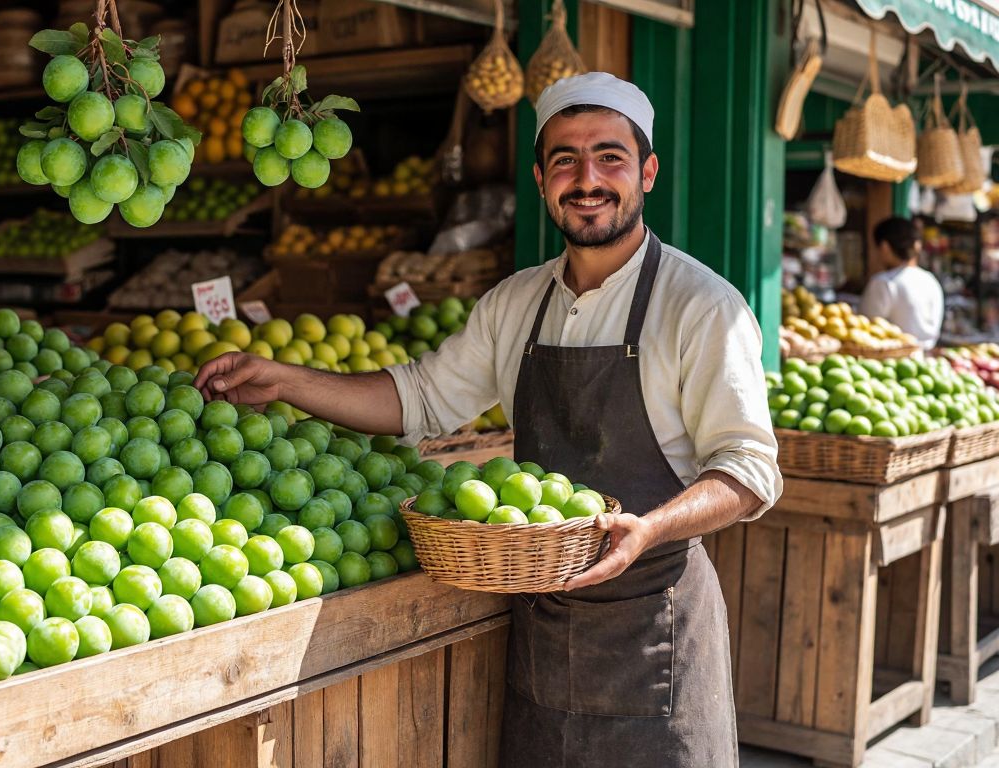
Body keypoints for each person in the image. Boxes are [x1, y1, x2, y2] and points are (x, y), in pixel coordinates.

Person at [195, 72, 781, 767]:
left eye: (610, 157)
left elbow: (750, 470)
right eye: (565, 158)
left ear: (647, 172)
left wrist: (648, 528)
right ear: (540, 178)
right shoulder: (515, 304)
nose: (587, 178)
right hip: (541, 628)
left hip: (652, 626)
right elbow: (417, 399)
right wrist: (287, 380)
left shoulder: (701, 307)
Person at [861, 217, 944, 349]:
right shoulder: (930, 280)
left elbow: (864, 329)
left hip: (892, 364)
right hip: (928, 361)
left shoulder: (884, 282)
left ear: (884, 247)